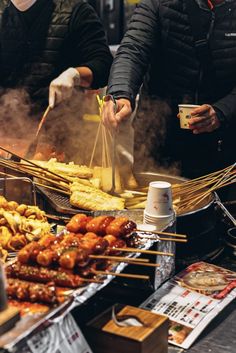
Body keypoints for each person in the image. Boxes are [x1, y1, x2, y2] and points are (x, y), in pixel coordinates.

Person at [102, 0, 236, 180]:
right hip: (157, 138)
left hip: (219, 147)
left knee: (211, 205)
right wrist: (120, 93)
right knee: (151, 204)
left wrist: (222, 111)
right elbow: (133, 49)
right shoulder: (159, 3)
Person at [0, 0, 113, 112]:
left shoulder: (76, 11)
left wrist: (75, 75)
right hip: (6, 123)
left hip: (61, 123)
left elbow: (104, 64)